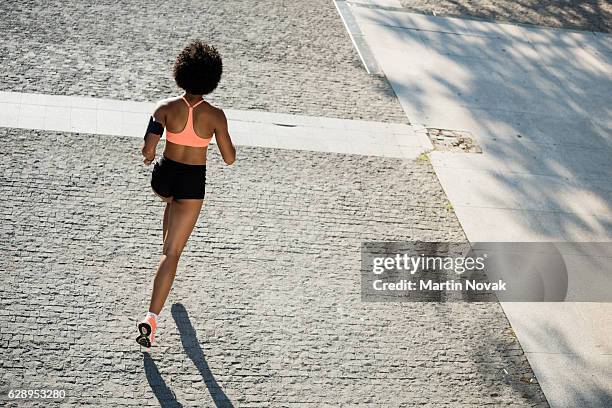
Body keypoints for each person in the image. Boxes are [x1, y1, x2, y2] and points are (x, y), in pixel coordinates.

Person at [136, 40, 235, 348]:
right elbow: (230, 158)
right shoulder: (216, 115)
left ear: (181, 72)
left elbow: (148, 150)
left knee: (170, 201)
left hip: (164, 178)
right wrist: (219, 135)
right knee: (172, 254)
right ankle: (151, 318)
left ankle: (169, 211)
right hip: (192, 183)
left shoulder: (164, 109)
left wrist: (150, 156)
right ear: (212, 79)